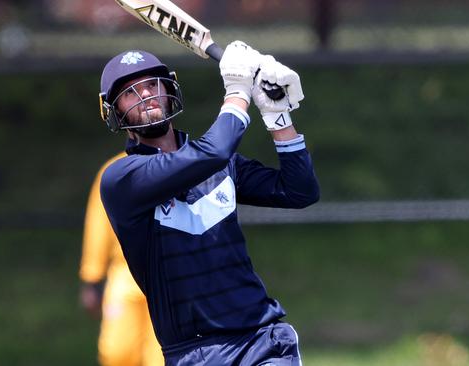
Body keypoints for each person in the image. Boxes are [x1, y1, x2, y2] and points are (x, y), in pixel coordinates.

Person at [97, 41, 319, 365]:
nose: (145, 95)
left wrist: (277, 115)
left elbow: (300, 191)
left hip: (261, 337)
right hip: (194, 353)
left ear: (168, 89)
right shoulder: (121, 179)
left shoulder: (216, 163)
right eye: (131, 92)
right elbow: (213, 151)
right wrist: (239, 90)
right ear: (114, 110)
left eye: (151, 85)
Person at [79, 156, 164, 366]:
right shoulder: (114, 171)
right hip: (125, 274)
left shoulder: (175, 165)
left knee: (161, 355)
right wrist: (92, 277)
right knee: (117, 352)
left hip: (167, 273)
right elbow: (99, 226)